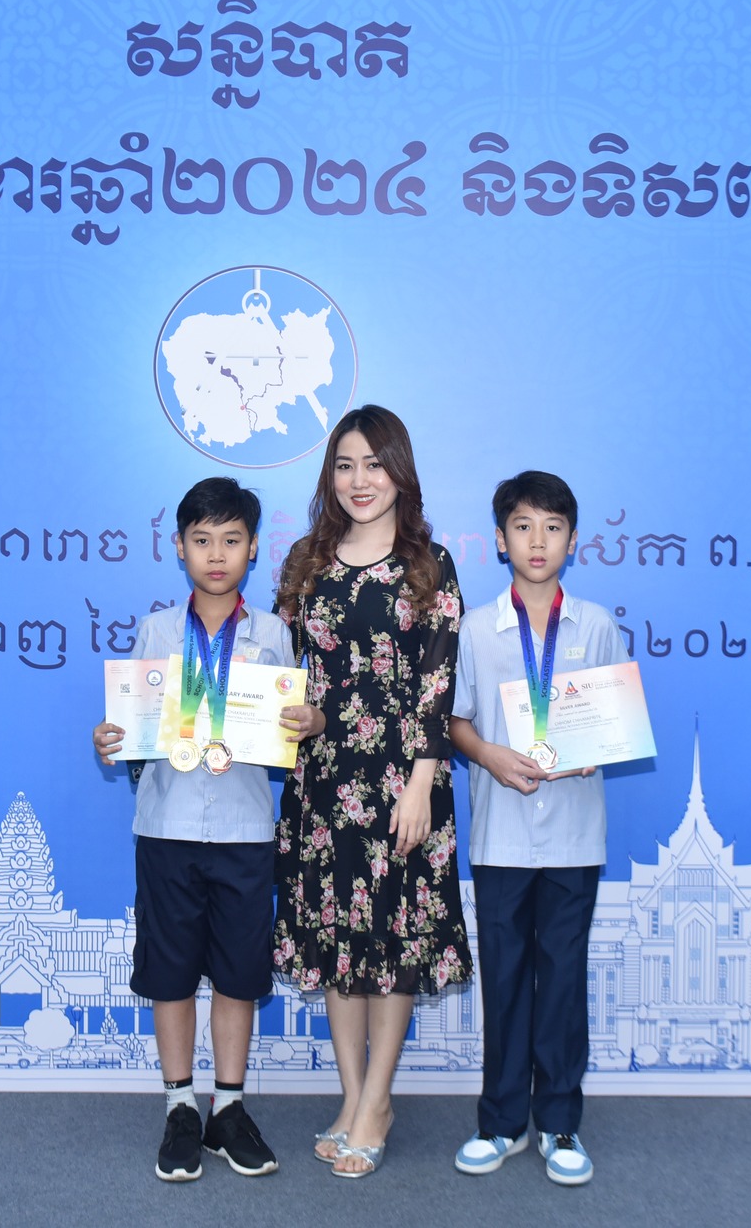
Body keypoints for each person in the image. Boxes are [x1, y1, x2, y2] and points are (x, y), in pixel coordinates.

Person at [92, 476, 324, 1182]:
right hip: (166, 826)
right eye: (201, 540)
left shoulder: (273, 635)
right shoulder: (159, 632)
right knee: (169, 973)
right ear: (179, 547)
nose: (216, 554)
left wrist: (308, 720)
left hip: (245, 831)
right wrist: (112, 739)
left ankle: (227, 1107)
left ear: (253, 549)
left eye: (231, 540)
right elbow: (134, 730)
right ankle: (179, 1108)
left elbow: (291, 726)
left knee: (237, 973)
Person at [272, 405, 471, 1179]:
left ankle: (379, 1100)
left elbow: (437, 687)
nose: (360, 480)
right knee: (338, 941)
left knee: (393, 943)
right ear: (330, 475)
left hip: (401, 784)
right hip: (322, 783)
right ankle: (353, 1096)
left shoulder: (430, 565)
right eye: (346, 465)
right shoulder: (306, 561)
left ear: (400, 472)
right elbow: (290, 676)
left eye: (375, 464)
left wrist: (420, 784)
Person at [447, 471, 622, 1187]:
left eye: (553, 527)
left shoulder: (598, 625)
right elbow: (456, 721)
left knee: (563, 980)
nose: (538, 540)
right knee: (507, 978)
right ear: (500, 540)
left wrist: (595, 746)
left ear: (573, 540)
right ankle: (500, 1122)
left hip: (575, 834)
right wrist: (487, 754)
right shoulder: (475, 630)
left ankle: (558, 1121)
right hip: (502, 836)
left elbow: (613, 720)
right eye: (523, 526)